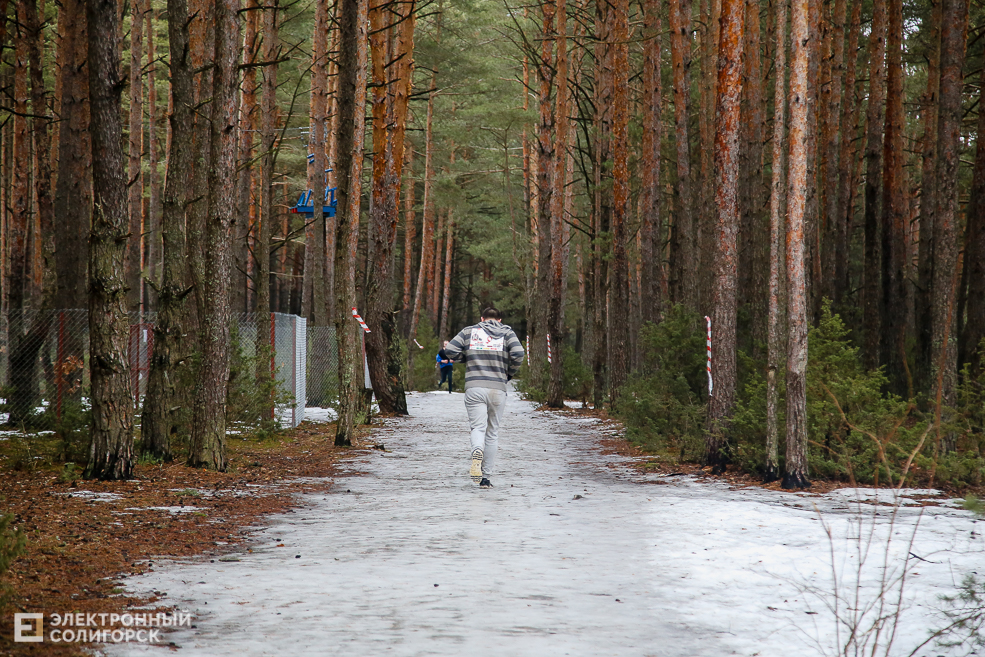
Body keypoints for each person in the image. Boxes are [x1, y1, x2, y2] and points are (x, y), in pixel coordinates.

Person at [443, 307, 525, 489]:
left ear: (481, 318)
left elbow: (449, 350)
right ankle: (486, 478)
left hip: (474, 387)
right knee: (492, 432)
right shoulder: (507, 332)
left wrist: (466, 357)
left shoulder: (469, 331)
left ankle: (476, 450)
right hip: (498, 388)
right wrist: (508, 373)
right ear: (500, 320)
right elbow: (519, 354)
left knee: (478, 428)